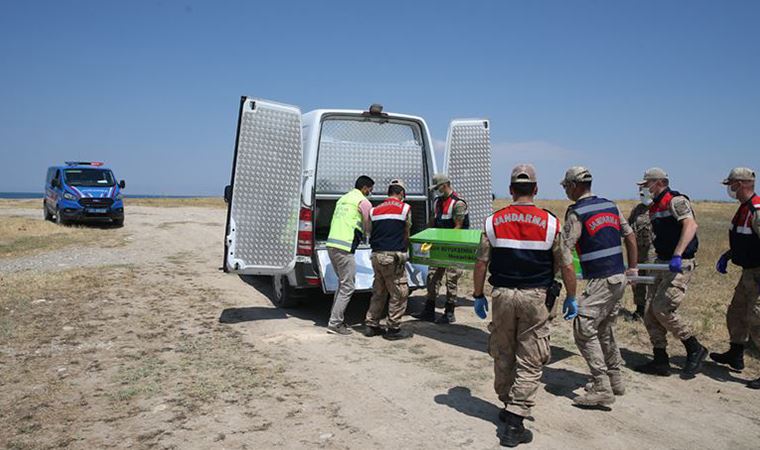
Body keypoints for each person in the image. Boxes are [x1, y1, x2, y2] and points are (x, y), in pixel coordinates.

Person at [472, 164, 575, 447]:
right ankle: (516, 420)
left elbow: (481, 262)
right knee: (531, 356)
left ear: (510, 190)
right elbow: (565, 265)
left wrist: (478, 294)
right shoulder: (552, 223)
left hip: (502, 295)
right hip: (535, 297)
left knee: (503, 351)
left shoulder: (493, 221)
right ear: (536, 189)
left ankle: (508, 404)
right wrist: (573, 297)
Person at [559, 166, 638, 407]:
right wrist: (632, 268)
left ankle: (601, 385)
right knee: (604, 328)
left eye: (566, 187)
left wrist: (570, 294)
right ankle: (615, 379)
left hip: (600, 280)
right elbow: (630, 236)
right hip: (618, 277)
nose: (566, 191)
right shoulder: (610, 206)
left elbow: (565, 252)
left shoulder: (576, 212)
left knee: (583, 327)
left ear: (574, 185)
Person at [633, 168, 708, 377]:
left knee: (663, 308)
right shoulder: (654, 206)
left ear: (660, 182)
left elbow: (691, 225)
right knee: (649, 311)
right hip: (662, 261)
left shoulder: (676, 201)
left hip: (679, 263)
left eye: (646, 184)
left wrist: (678, 253)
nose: (643, 188)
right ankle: (660, 359)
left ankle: (694, 348)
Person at [710, 167, 760, 389]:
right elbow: (745, 239)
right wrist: (730, 254)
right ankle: (735, 353)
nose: (728, 188)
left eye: (730, 184)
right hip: (748, 273)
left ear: (739, 184)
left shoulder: (757, 210)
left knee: (757, 320)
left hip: (758, 274)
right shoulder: (743, 209)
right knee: (737, 313)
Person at [413, 173, 469, 324]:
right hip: (438, 247)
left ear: (445, 185)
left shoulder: (458, 204)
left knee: (451, 280)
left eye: (438, 188)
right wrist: (427, 234)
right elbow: (433, 221)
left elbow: (458, 226)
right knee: (432, 278)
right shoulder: (437, 202)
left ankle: (449, 313)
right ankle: (429, 311)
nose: (436, 191)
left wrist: (446, 242)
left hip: (453, 248)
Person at [364, 179, 414, 341]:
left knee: (379, 291)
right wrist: (405, 250)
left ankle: (371, 325)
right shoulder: (405, 208)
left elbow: (369, 231)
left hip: (376, 256)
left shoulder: (375, 210)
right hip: (393, 256)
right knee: (399, 292)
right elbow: (407, 231)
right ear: (400, 193)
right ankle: (393, 329)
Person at [325, 175, 374, 335]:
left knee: (342, 284)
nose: (371, 192)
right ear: (365, 188)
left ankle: (335, 318)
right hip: (344, 247)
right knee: (348, 286)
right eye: (370, 189)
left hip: (332, 244)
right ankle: (335, 323)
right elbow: (368, 223)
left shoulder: (343, 199)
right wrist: (371, 237)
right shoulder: (363, 202)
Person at [627, 193, 655, 321]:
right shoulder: (637, 209)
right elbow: (629, 227)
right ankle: (640, 308)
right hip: (638, 248)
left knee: (651, 277)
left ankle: (653, 309)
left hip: (653, 248)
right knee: (638, 278)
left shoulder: (659, 208)